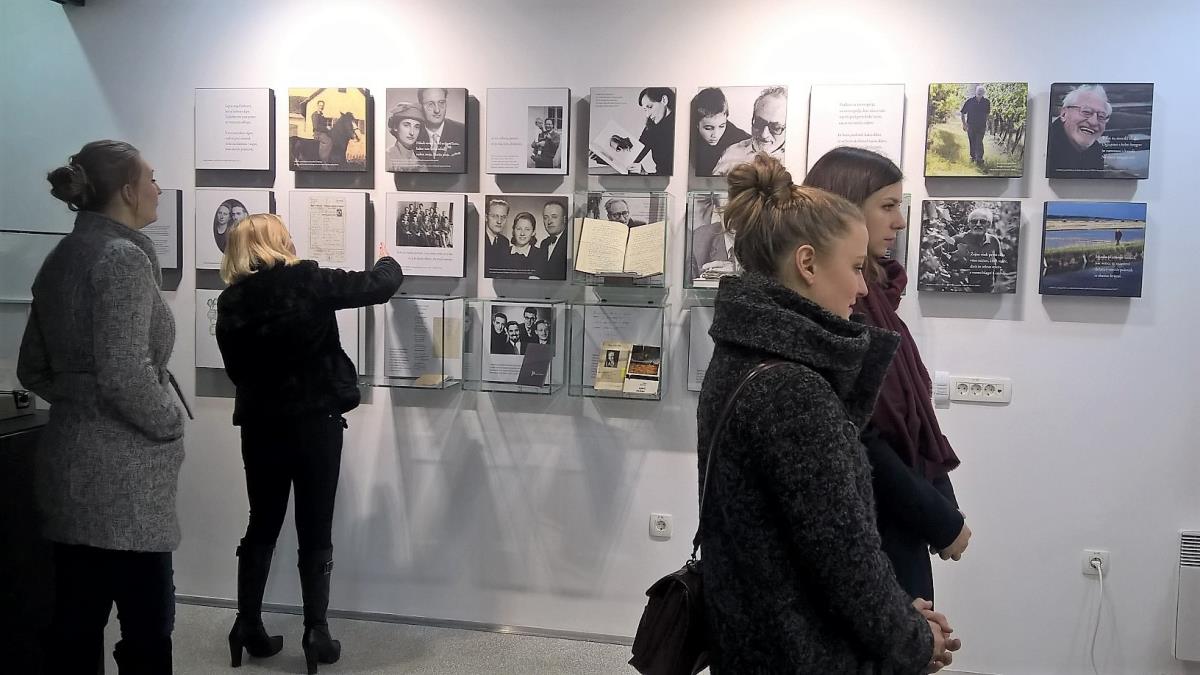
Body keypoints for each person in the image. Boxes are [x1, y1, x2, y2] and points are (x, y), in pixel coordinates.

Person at [698, 153, 959, 673]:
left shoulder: (745, 354)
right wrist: (913, 638)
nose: (862, 287)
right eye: (856, 268)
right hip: (804, 652)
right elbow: (844, 558)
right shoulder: (794, 387)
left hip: (760, 638)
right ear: (808, 264)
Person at [18, 140, 189, 672]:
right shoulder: (121, 258)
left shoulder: (63, 256)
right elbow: (123, 373)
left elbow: (33, 369)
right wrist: (169, 422)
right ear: (128, 191)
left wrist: (79, 399)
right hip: (124, 482)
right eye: (152, 178)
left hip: (69, 466)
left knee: (75, 625)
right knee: (147, 631)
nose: (158, 188)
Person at [215, 215, 403, 673]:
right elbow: (379, 286)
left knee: (262, 522)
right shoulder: (308, 280)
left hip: (260, 425)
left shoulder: (231, 300)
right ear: (277, 242)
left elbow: (237, 371)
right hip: (315, 422)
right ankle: (316, 633)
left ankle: (247, 624)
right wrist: (388, 259)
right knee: (314, 525)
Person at [804, 146, 972, 603]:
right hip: (869, 521)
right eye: (887, 206)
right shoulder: (840, 306)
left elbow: (912, 417)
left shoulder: (876, 298)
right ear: (845, 207)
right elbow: (859, 432)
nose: (899, 221)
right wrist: (938, 516)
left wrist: (942, 508)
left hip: (899, 517)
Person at [712, 86, 788, 176]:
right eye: (759, 123)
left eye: (775, 127)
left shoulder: (795, 159)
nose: (764, 135)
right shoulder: (732, 152)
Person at [1047, 84, 1109, 176]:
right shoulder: (1045, 145)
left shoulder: (1096, 150)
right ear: (1064, 114)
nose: (1094, 122)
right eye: (1086, 112)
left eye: (1101, 116)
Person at [691, 87, 750, 176]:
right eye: (708, 128)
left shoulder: (740, 139)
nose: (715, 135)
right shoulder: (687, 135)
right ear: (696, 124)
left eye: (722, 126)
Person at [415, 88, 466, 169]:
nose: (437, 110)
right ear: (420, 106)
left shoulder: (463, 131)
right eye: (430, 104)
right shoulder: (412, 134)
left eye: (441, 103)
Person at [632, 87, 675, 175]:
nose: (647, 115)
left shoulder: (680, 125)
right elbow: (635, 155)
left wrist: (645, 174)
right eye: (645, 109)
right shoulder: (651, 127)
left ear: (664, 100)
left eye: (650, 107)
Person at [385, 102, 426, 172]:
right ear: (395, 127)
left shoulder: (421, 165)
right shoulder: (386, 157)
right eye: (406, 125)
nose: (412, 133)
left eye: (416, 127)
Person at [961, 85, 991, 166]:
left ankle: (979, 159)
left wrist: (987, 124)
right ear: (976, 92)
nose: (979, 93)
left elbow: (987, 114)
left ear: (983, 93)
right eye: (978, 92)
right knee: (972, 141)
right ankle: (973, 157)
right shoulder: (970, 101)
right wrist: (964, 124)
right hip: (971, 125)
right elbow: (963, 113)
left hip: (981, 126)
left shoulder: (986, 102)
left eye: (981, 92)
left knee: (979, 142)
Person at [537, 200, 568, 279]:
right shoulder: (544, 243)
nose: (549, 221)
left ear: (564, 219)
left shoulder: (569, 241)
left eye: (554, 217)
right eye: (545, 218)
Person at [483, 198, 511, 275]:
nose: (499, 221)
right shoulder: (478, 239)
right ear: (486, 217)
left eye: (503, 217)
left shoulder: (504, 242)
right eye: (495, 216)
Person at [506, 212, 538, 277]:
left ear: (533, 232)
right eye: (519, 229)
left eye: (527, 229)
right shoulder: (503, 253)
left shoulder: (540, 255)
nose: (522, 233)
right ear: (513, 231)